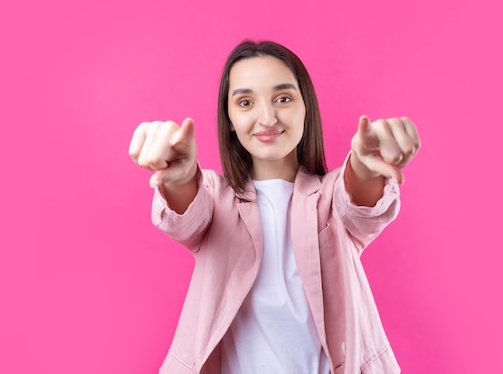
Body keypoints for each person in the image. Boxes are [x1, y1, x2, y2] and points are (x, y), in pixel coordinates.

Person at [129, 40, 420, 374]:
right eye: (245, 102)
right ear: (230, 119)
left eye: (283, 98)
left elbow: (357, 200)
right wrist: (177, 176)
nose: (266, 117)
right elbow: (187, 211)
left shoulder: (329, 199)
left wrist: (368, 166)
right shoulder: (215, 200)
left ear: (305, 107)